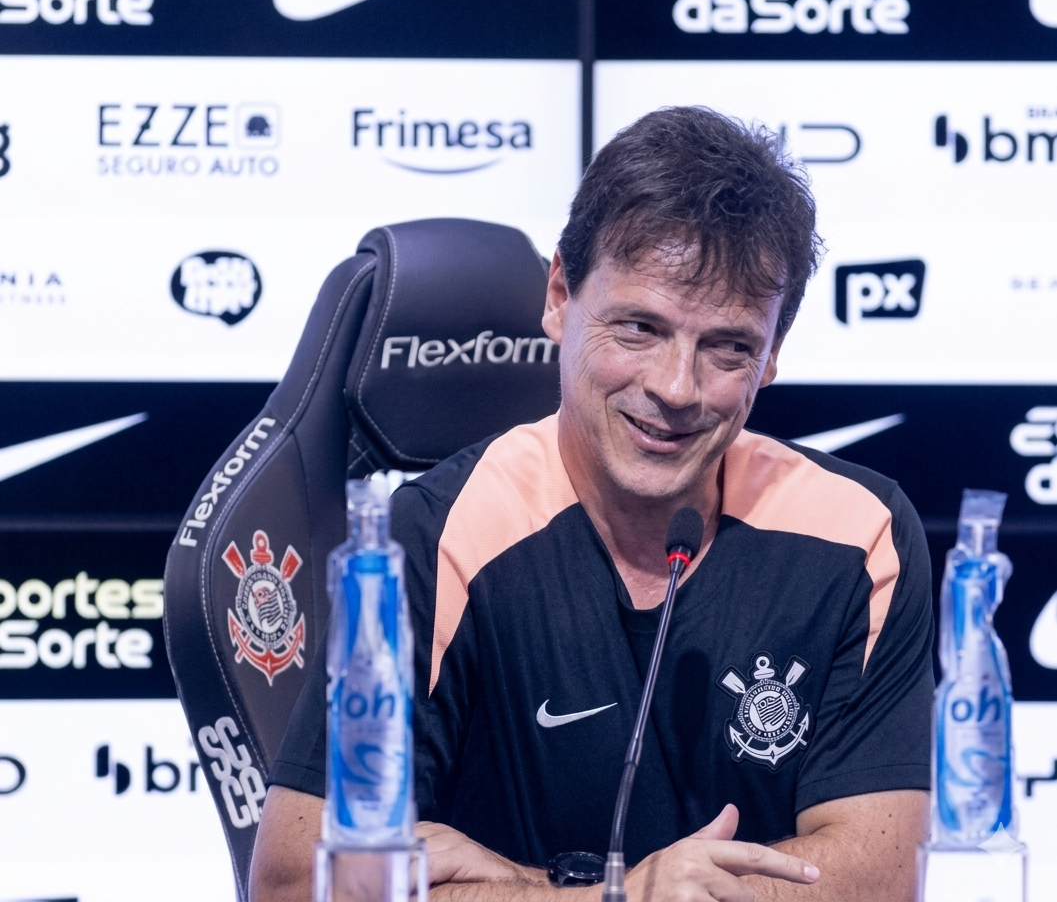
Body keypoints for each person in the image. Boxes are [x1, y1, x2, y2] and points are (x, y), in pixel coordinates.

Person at [250, 106, 933, 902]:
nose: (675, 388)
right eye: (638, 327)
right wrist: (620, 896)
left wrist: (515, 887)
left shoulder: (859, 534)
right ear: (558, 296)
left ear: (772, 355)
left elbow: (882, 879)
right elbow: (294, 883)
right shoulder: (437, 535)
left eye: (728, 347)